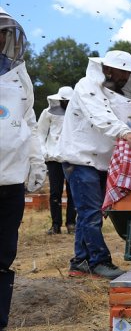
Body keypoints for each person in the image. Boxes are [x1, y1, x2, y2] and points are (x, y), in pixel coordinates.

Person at [55, 49, 131, 280]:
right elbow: (99, 115)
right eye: (122, 72)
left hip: (102, 162)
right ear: (107, 69)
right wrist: (125, 133)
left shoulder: (122, 96)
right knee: (91, 213)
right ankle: (99, 261)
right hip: (79, 159)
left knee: (91, 213)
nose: (126, 78)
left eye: (129, 74)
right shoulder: (86, 86)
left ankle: (79, 262)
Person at [0, 8, 46, 331]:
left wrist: (36, 161)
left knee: (3, 253)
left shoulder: (19, 76)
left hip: (11, 179)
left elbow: (29, 122)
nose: (0, 37)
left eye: (3, 32)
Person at [38, 86, 78, 235]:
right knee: (55, 192)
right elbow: (40, 133)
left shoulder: (77, 113)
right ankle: (56, 225)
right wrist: (44, 151)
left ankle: (71, 224)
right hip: (54, 158)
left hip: (72, 157)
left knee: (73, 191)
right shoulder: (48, 113)